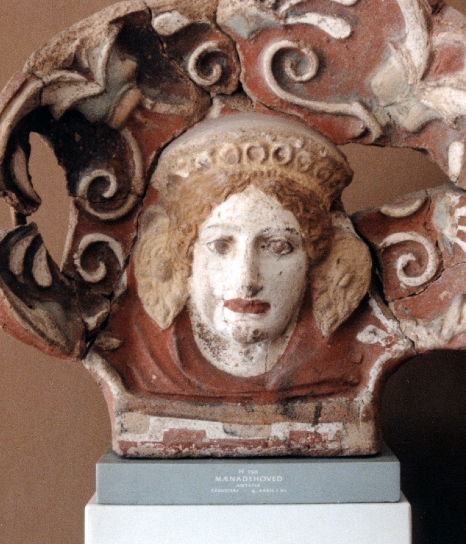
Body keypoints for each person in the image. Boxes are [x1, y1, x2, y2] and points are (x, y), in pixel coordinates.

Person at [128, 112, 376, 401]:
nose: (247, 280)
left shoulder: (350, 361)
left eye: (278, 247)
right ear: (184, 260)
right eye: (221, 246)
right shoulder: (142, 361)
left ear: (317, 263)